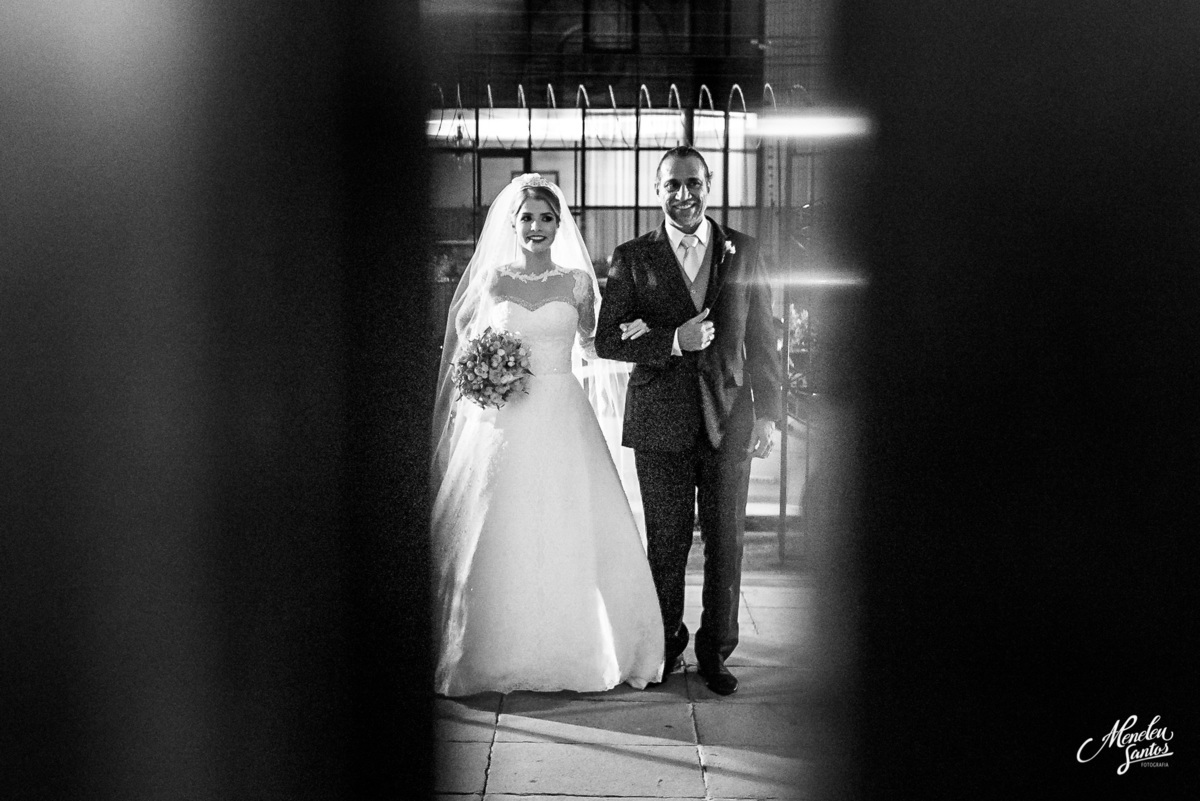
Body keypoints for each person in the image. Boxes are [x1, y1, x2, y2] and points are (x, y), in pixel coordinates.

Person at [430, 174, 664, 696]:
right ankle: (488, 646)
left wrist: (639, 334)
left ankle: (582, 646)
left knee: (569, 519)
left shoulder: (578, 284)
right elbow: (465, 350)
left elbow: (591, 344)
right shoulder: (491, 281)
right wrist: (484, 372)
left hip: (562, 410)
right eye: (528, 218)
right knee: (501, 523)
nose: (536, 226)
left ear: (560, 224)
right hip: (504, 418)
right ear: (512, 224)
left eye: (547, 217)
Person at [595, 146, 783, 696]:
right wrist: (672, 340)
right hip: (660, 423)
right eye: (672, 184)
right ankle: (664, 642)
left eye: (693, 183)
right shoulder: (633, 257)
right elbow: (608, 339)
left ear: (709, 184)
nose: (684, 194)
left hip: (730, 419)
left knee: (726, 543)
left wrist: (769, 413)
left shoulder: (743, 252)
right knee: (667, 542)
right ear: (657, 190)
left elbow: (762, 340)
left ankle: (715, 652)